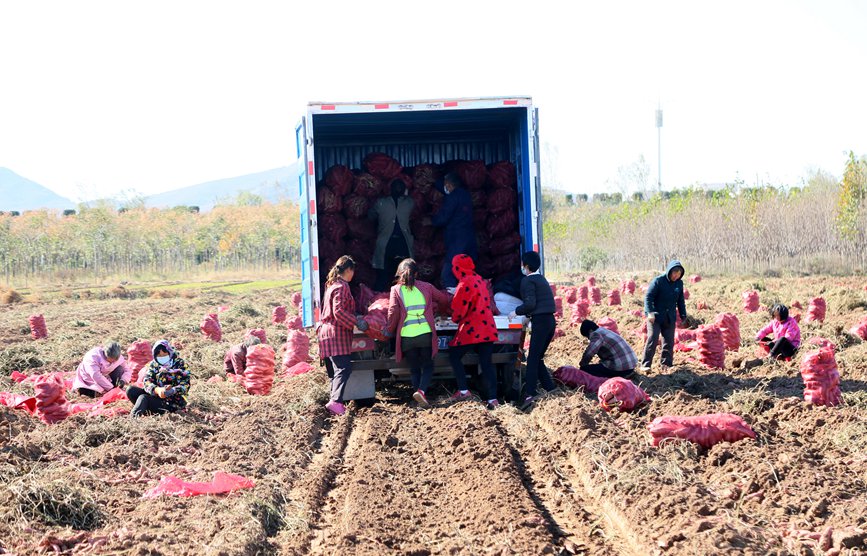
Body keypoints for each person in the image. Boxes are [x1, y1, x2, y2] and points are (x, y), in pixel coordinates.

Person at [386, 259, 451, 407]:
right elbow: (443, 299)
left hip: (407, 336)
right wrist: (441, 312)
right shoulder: (426, 287)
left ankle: (418, 396)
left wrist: (389, 329)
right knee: (428, 365)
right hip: (425, 334)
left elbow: (392, 312)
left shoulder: (395, 290)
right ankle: (421, 391)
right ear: (416, 273)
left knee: (414, 368)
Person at [446, 254, 500, 409]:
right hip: (488, 327)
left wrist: (454, 318)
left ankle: (463, 390)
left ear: (457, 268)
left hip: (473, 329)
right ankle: (492, 399)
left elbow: (459, 310)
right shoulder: (480, 280)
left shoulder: (464, 284)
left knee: (455, 355)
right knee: (486, 363)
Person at [316, 255, 368, 416]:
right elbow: (338, 311)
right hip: (335, 333)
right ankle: (336, 402)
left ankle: (334, 403)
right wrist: (355, 321)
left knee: (334, 371)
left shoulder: (331, 285)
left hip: (325, 333)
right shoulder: (342, 286)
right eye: (353, 271)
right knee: (343, 368)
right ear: (348, 270)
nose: (353, 274)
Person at [508, 251, 556, 411]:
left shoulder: (527, 281)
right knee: (538, 357)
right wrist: (528, 316)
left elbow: (530, 303)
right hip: (550, 322)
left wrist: (516, 312)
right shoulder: (541, 279)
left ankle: (530, 394)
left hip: (541, 323)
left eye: (523, 264)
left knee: (532, 360)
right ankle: (550, 389)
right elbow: (538, 302)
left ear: (526, 266)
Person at [431, 173, 477, 289]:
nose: (445, 187)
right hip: (469, 237)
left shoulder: (452, 197)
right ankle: (470, 293)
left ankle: (452, 298)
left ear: (450, 185)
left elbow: (444, 217)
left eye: (446, 184)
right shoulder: (465, 195)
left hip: (457, 239)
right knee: (467, 269)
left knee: (449, 272)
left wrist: (431, 221)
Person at [641, 260, 687, 370]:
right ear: (670, 271)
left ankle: (666, 364)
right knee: (653, 337)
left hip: (670, 317)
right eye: (675, 273)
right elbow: (648, 297)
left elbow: (680, 300)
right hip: (655, 317)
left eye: (679, 274)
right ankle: (645, 364)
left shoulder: (679, 284)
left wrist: (683, 315)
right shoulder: (658, 281)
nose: (677, 276)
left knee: (669, 341)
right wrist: (650, 313)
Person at [369, 178, 414, 291]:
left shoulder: (381, 203)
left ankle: (379, 301)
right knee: (405, 275)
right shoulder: (409, 203)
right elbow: (416, 216)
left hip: (386, 243)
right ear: (404, 190)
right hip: (403, 244)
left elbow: (371, 217)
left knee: (383, 276)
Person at [126, 340, 190, 417]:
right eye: (159, 355)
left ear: (169, 352)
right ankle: (147, 410)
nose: (162, 357)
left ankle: (133, 418)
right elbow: (147, 381)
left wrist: (172, 390)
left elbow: (185, 384)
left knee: (144, 398)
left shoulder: (179, 364)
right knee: (130, 390)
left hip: (172, 403)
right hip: (156, 396)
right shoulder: (154, 365)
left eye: (164, 354)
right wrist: (157, 390)